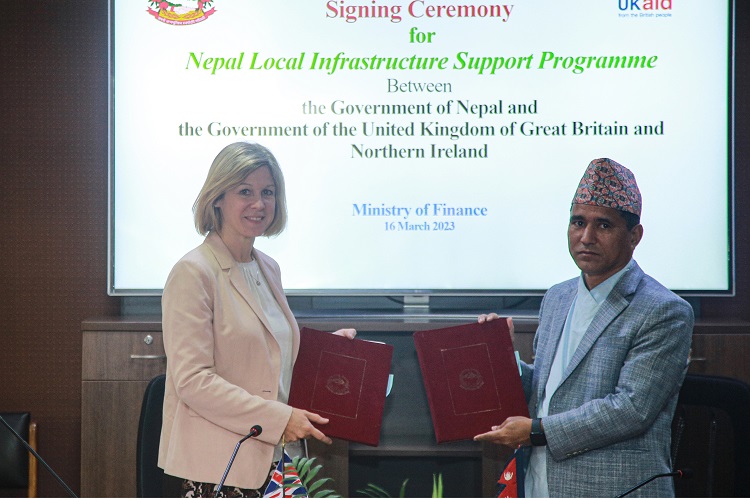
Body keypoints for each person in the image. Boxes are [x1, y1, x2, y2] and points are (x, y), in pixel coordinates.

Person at [474, 158, 694, 497]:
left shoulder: (664, 310)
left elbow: (631, 409)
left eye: (603, 225)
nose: (586, 237)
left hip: (613, 489)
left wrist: (536, 431)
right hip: (541, 483)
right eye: (578, 222)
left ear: (634, 236)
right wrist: (503, 359)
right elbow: (549, 393)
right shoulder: (557, 297)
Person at [158, 142, 356, 497]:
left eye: (268, 192)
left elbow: (266, 358)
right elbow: (193, 381)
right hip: (222, 467)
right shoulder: (193, 272)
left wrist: (325, 355)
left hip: (280, 461)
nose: (259, 204)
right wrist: (279, 419)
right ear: (218, 198)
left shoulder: (267, 267)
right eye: (245, 192)